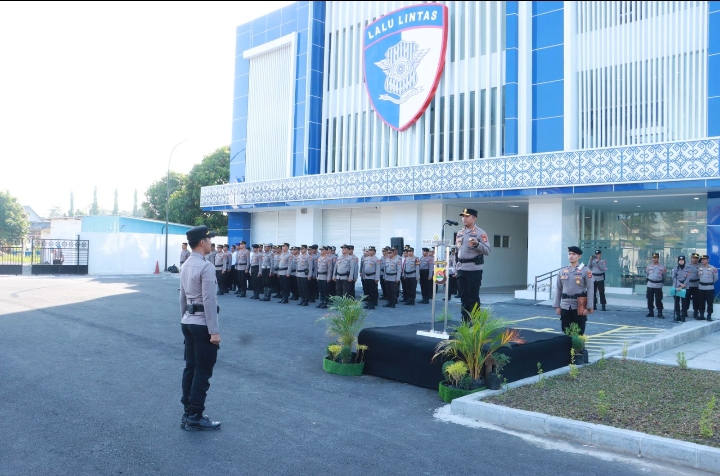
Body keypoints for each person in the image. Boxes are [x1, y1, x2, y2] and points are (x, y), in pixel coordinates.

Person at [179, 225, 221, 431]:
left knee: (190, 368)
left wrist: (184, 319)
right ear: (202, 242)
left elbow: (182, 297)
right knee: (202, 371)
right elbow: (209, 300)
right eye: (209, 240)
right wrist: (214, 331)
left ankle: (188, 412)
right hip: (202, 324)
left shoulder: (186, 264)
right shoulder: (206, 266)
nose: (211, 243)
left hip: (188, 322)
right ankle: (195, 415)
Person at [455, 208, 492, 321]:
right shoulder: (460, 232)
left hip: (473, 270)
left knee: (473, 298)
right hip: (461, 269)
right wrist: (456, 268)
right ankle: (465, 323)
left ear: (474, 218)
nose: (464, 218)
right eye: (463, 216)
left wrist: (477, 244)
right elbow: (457, 252)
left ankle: (476, 324)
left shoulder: (480, 233)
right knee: (463, 298)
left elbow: (488, 251)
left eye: (467, 216)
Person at [553, 246, 594, 335]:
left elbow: (591, 289)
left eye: (574, 254)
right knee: (566, 331)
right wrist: (557, 306)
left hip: (579, 306)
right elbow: (558, 289)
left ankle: (578, 345)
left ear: (579, 256)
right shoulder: (562, 271)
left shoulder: (586, 271)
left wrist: (588, 307)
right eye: (569, 254)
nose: (571, 256)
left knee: (579, 332)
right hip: (565, 305)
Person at [697, 254, 718, 321]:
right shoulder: (700, 268)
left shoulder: (713, 268)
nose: (703, 261)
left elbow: (716, 278)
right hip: (701, 287)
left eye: (704, 259)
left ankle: (709, 316)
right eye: (702, 260)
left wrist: (709, 282)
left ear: (708, 260)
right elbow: (699, 277)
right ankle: (701, 315)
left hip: (709, 288)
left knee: (709, 302)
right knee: (701, 302)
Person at [645, 252, 666, 318]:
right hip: (650, 284)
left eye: (656, 258)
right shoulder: (649, 266)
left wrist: (661, 283)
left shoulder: (662, 267)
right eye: (653, 258)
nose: (655, 259)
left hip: (658, 285)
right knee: (649, 299)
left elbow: (664, 276)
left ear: (658, 258)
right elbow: (647, 275)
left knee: (658, 299)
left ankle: (660, 313)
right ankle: (650, 312)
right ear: (652, 258)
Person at [671, 255, 690, 322]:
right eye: (680, 260)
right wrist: (679, 284)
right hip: (676, 286)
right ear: (678, 261)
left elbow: (688, 278)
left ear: (684, 261)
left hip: (685, 287)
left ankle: (683, 316)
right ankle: (678, 315)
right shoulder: (675, 269)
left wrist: (683, 285)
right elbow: (673, 278)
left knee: (684, 302)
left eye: (682, 260)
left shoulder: (688, 269)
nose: (681, 262)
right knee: (676, 302)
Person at [687, 253, 702, 319]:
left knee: (696, 300)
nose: (695, 259)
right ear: (691, 258)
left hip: (696, 285)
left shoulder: (700, 265)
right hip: (688, 285)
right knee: (686, 299)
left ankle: (695, 312)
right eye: (693, 258)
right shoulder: (686, 265)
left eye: (696, 258)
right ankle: (684, 311)